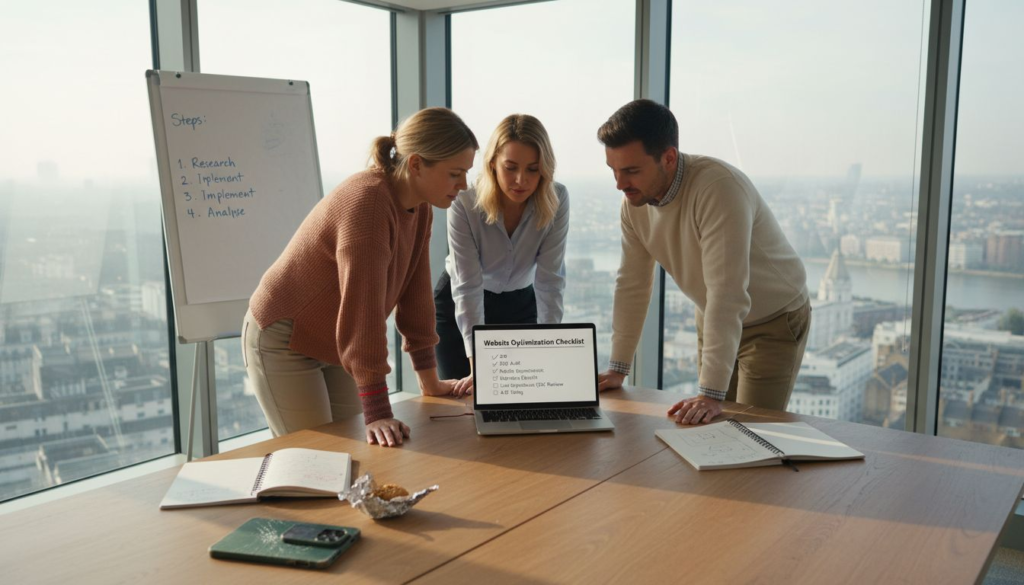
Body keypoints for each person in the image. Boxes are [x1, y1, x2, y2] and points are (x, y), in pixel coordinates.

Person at [242, 107, 478, 447]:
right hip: (285, 338)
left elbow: (416, 295)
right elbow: (363, 315)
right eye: (455, 173)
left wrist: (430, 381)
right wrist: (379, 411)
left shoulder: (420, 206)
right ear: (416, 164)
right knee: (318, 459)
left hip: (334, 340)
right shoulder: (368, 204)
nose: (464, 185)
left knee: (355, 452)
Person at [595, 99, 810, 425]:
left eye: (631, 171)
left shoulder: (718, 188)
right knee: (711, 429)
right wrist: (618, 367)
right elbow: (632, 284)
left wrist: (710, 393)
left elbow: (727, 292)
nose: (620, 184)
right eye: (614, 170)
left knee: (753, 435)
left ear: (668, 158)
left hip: (773, 322)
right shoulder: (633, 205)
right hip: (712, 315)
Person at [434, 114, 569, 396]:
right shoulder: (465, 203)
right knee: (464, 400)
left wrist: (550, 350)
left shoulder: (557, 199)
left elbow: (549, 283)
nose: (521, 180)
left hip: (520, 305)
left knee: (522, 399)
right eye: (511, 167)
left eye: (533, 169)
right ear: (492, 162)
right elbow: (468, 287)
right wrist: (477, 364)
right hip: (459, 304)